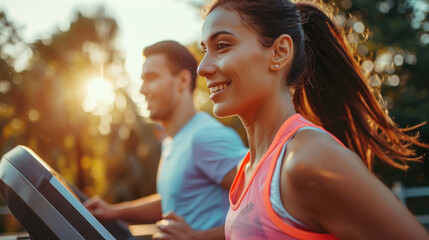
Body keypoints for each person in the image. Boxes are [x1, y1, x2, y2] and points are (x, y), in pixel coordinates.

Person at [197, 1, 429, 239]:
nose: (202, 68)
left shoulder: (308, 160)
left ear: (280, 52)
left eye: (222, 46)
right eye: (205, 50)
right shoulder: (245, 171)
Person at [84, 40, 248, 239]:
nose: (142, 90)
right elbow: (173, 199)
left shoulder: (205, 137)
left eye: (151, 78)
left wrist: (196, 237)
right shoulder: (172, 141)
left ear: (182, 80)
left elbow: (262, 206)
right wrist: (114, 211)